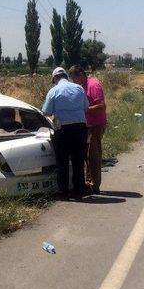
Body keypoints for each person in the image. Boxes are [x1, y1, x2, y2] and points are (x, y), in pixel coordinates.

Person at [42, 67, 89, 199]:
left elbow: (46, 112)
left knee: (62, 161)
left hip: (63, 130)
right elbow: (86, 107)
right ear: (66, 76)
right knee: (78, 161)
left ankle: (63, 192)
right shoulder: (79, 88)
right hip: (80, 129)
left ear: (55, 78)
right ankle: (79, 190)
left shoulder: (53, 91)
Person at [69, 65, 107, 195]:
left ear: (80, 74)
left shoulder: (93, 85)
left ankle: (94, 186)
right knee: (87, 155)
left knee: (93, 155)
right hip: (87, 124)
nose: (73, 82)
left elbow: (102, 106)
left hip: (96, 124)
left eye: (74, 78)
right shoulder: (82, 86)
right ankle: (89, 182)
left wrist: (84, 110)